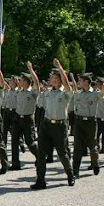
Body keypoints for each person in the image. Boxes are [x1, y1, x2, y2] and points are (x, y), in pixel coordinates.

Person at [31, 58, 75, 190]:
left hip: (59, 126)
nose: (53, 80)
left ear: (60, 80)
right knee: (41, 154)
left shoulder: (65, 92)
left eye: (55, 78)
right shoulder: (47, 93)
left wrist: (60, 67)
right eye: (52, 78)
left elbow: (67, 83)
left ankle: (70, 174)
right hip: (46, 125)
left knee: (62, 153)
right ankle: (40, 180)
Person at [10, 63, 40, 170]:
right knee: (14, 141)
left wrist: (31, 69)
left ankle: (39, 156)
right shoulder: (19, 92)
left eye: (22, 80)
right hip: (18, 118)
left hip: (28, 119)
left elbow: (37, 83)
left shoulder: (32, 92)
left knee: (30, 142)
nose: (19, 82)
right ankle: (15, 163)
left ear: (27, 82)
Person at [71, 72, 100, 178]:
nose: (79, 83)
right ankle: (75, 170)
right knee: (77, 146)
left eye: (81, 81)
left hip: (90, 122)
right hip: (79, 121)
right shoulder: (77, 93)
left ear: (87, 82)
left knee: (92, 145)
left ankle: (95, 164)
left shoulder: (96, 93)